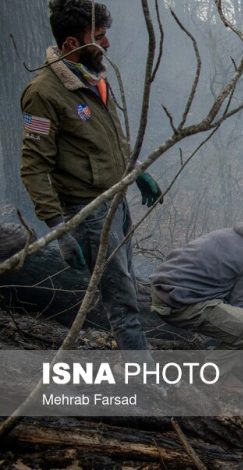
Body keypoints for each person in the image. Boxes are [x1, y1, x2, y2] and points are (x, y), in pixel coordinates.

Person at [20, 0, 163, 350]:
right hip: (88, 213)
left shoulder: (93, 78)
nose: (107, 44)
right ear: (72, 43)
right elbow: (34, 166)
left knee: (127, 289)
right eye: (99, 37)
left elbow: (111, 138)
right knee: (123, 304)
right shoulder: (42, 94)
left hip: (116, 202)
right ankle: (142, 378)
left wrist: (135, 172)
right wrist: (60, 230)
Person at [149, 205, 243, 351]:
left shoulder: (228, 234)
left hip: (160, 289)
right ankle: (212, 366)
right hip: (178, 304)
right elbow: (239, 303)